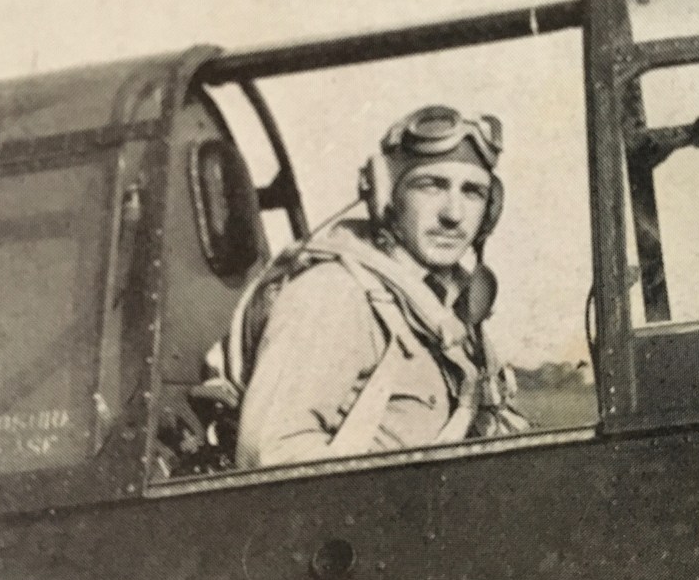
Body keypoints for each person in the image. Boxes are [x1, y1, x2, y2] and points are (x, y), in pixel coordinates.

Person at [207, 105, 527, 469]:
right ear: (386, 194)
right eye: (431, 185)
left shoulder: (451, 310)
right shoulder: (335, 294)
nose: (453, 214)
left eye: (472, 192)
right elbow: (269, 455)